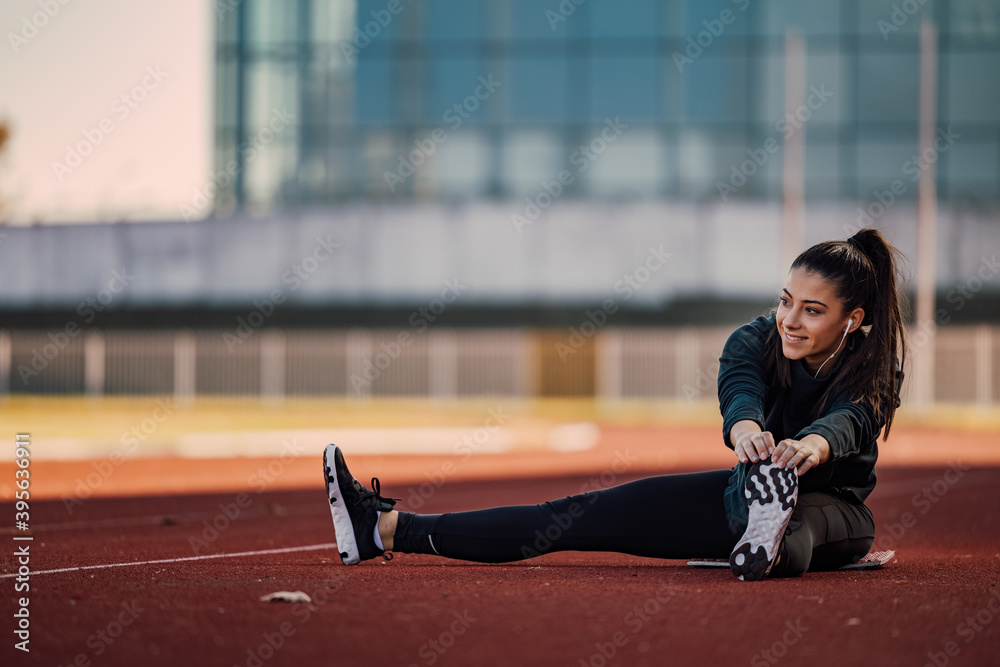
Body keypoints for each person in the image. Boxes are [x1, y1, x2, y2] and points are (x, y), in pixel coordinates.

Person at [322, 228, 908, 581]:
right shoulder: (755, 338)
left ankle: (768, 542)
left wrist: (812, 444)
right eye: (787, 301)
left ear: (851, 320)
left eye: (812, 309)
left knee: (796, 526)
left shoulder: (874, 365)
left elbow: (853, 419)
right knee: (573, 515)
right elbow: (740, 389)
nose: (791, 319)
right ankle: (386, 529)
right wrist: (748, 431)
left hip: (835, 510)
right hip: (740, 493)